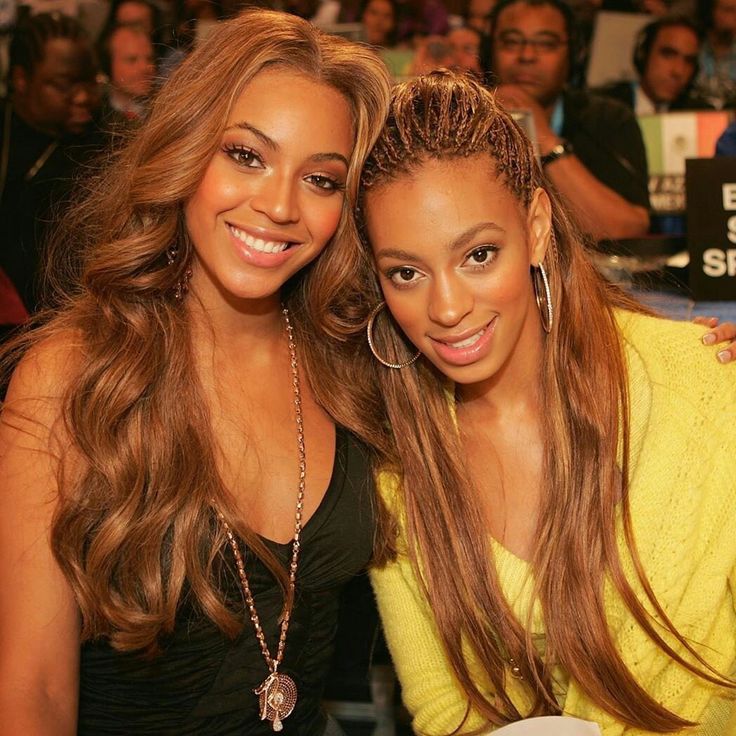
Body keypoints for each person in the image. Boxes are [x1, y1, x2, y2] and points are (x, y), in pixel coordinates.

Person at [0, 9, 392, 734]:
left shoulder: (350, 363)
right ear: (186, 148)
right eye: (246, 155)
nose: (278, 206)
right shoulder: (71, 377)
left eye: (320, 179)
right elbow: (34, 693)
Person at [345, 71, 736, 733]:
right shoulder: (396, 467)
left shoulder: (693, 385)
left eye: (478, 254)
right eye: (405, 272)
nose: (445, 308)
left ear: (536, 227)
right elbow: (446, 710)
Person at [485, 0, 651, 241]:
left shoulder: (609, 119)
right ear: (490, 49)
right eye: (511, 42)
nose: (527, 55)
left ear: (574, 54)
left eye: (546, 44)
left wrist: (544, 138)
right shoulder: (463, 120)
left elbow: (626, 228)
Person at [0, 11, 103, 316]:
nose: (84, 97)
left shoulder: (109, 142)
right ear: (21, 79)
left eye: (91, 81)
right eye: (64, 84)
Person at [596, 16, 714, 113]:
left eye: (689, 61)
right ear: (643, 55)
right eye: (668, 55)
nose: (678, 71)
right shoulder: (602, 108)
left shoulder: (700, 114)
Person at [98, 22, 156, 125]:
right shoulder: (96, 117)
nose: (145, 68)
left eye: (149, 59)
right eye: (132, 60)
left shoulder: (164, 111)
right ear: (108, 64)